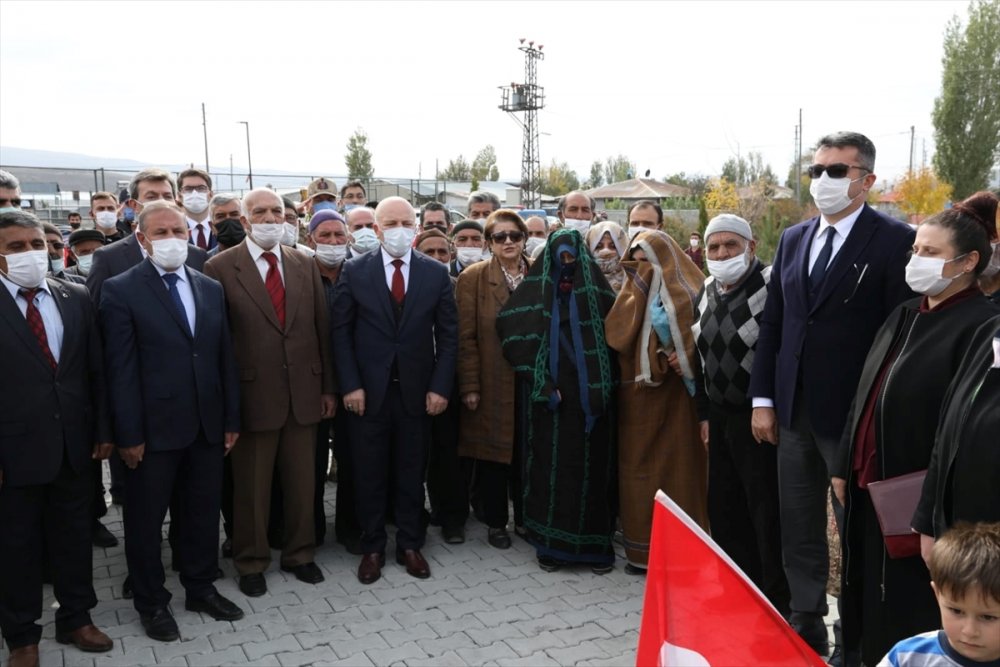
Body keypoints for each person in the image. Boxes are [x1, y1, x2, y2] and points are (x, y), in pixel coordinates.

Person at [749, 131, 915, 656]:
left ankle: (854, 632)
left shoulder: (893, 240)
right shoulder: (796, 239)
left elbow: (900, 336)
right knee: (798, 524)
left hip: (855, 419)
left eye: (836, 171)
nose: (823, 180)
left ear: (866, 179)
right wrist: (763, 400)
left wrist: (879, 411)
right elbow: (774, 325)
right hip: (793, 411)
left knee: (857, 531)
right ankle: (804, 621)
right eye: (817, 170)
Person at [830, 198, 999, 666]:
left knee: (907, 602)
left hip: (917, 502)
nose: (915, 261)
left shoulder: (979, 326)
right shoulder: (906, 312)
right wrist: (843, 464)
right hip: (868, 490)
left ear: (967, 262)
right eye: (915, 249)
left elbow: (959, 425)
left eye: (929, 251)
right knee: (861, 589)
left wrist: (930, 510)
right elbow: (866, 393)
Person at [99, 201, 244, 642]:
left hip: (205, 426)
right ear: (142, 239)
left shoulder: (208, 286)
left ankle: (200, 588)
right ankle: (152, 602)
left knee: (201, 515)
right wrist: (128, 434)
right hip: (151, 432)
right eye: (160, 233)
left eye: (178, 231)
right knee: (145, 522)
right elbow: (119, 371)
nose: (171, 239)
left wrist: (230, 418)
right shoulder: (120, 290)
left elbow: (223, 359)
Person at [204, 188, 336, 597]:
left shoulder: (304, 263)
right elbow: (218, 342)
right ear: (244, 221)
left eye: (276, 211)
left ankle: (300, 554)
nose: (269, 218)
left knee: (302, 484)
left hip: (304, 394)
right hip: (252, 396)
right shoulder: (220, 268)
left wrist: (328, 387)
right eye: (259, 212)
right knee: (252, 488)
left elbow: (321, 330)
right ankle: (251, 561)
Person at [0, 210, 115, 667]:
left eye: (36, 244)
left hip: (75, 446)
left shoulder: (76, 296)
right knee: (16, 546)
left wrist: (104, 431)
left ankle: (76, 619)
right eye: (15, 247)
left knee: (72, 538)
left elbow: (96, 371)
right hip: (13, 453)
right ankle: (22, 636)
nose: (31, 253)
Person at [332, 196, 458, 585]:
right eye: (390, 223)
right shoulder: (354, 272)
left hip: (417, 395)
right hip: (368, 394)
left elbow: (449, 337)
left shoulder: (434, 274)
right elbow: (340, 334)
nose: (398, 230)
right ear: (376, 227)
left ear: (416, 227)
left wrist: (440, 387)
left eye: (406, 222)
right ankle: (372, 546)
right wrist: (350, 384)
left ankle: (409, 543)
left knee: (410, 470)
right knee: (368, 471)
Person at [496, 228, 618, 574]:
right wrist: (541, 381)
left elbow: (618, 336)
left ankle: (596, 547)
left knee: (594, 474)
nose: (568, 263)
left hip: (593, 400)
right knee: (551, 472)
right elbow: (510, 329)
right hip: (550, 403)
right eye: (562, 256)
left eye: (573, 257)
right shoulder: (536, 291)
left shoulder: (597, 292)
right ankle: (549, 546)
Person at [691, 214, 790, 613]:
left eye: (730, 245)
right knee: (725, 508)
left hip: (759, 419)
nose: (721, 253)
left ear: (750, 246)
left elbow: (779, 353)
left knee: (764, 510)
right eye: (713, 247)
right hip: (719, 416)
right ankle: (736, 590)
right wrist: (703, 415)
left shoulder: (772, 286)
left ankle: (774, 601)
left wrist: (767, 407)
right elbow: (699, 359)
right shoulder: (705, 290)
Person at [605, 229, 706, 574]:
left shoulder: (692, 293)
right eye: (637, 259)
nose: (642, 266)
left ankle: (685, 554)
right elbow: (617, 335)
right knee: (638, 475)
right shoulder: (630, 294)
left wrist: (680, 355)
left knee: (681, 476)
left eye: (649, 259)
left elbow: (701, 337)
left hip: (679, 403)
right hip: (637, 402)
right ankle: (642, 553)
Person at [456, 210, 529, 550]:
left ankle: (528, 520)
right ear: (489, 244)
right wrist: (469, 385)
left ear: (524, 238)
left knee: (530, 454)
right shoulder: (473, 278)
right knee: (492, 454)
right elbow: (465, 337)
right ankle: (496, 522)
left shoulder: (540, 274)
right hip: (491, 379)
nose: (508, 242)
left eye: (514, 235)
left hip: (532, 382)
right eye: (500, 237)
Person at [878, 522, 1000, 667]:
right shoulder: (907, 658)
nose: (969, 631)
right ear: (937, 594)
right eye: (956, 611)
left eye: (988, 617)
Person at [305, 209, 355, 549]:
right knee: (310, 465)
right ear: (311, 240)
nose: (334, 242)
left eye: (339, 235)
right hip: (313, 387)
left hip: (355, 385)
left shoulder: (359, 274)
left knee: (353, 463)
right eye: (325, 236)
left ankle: (351, 529)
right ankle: (311, 530)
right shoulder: (300, 274)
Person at [418, 227, 467, 543]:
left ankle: (452, 519)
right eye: (429, 252)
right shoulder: (406, 285)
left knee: (447, 456)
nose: (436, 258)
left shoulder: (456, 288)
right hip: (407, 382)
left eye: (442, 253)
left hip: (446, 382)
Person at [177, 168, 216, 251]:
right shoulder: (173, 230)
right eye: (188, 189)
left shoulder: (221, 225)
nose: (195, 193)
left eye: (201, 188)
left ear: (211, 194)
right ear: (179, 196)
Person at [585, 221, 628, 293]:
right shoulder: (583, 278)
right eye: (598, 247)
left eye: (613, 246)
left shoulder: (632, 280)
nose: (605, 251)